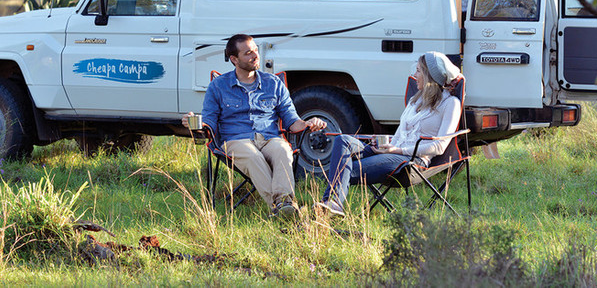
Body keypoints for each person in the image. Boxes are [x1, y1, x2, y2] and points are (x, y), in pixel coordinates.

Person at [182, 34, 327, 218]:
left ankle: (285, 204)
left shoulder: (273, 84)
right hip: (235, 140)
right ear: (234, 59)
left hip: (269, 138)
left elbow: (292, 121)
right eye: (248, 53)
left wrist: (309, 123)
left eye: (256, 51)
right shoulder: (218, 86)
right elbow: (208, 122)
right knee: (253, 157)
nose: (255, 56)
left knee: (283, 150)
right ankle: (280, 207)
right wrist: (194, 123)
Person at [313, 51, 463, 217]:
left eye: (419, 70)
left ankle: (332, 203)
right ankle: (333, 203)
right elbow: (400, 133)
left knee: (344, 169)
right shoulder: (416, 100)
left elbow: (439, 146)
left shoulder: (450, 104)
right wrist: (387, 146)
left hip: (411, 160)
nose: (415, 74)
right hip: (393, 151)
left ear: (430, 75)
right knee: (343, 140)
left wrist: (397, 151)